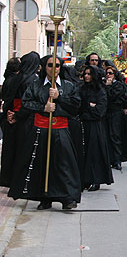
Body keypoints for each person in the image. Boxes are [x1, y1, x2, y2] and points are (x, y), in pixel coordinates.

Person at [8, 55, 82, 209]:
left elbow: (75, 107)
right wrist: (43, 108)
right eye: (50, 65)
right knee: (41, 163)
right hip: (40, 129)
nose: (54, 69)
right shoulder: (35, 85)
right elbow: (26, 103)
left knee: (64, 163)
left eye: (57, 65)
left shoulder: (68, 86)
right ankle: (44, 197)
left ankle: (67, 197)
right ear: (44, 67)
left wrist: (59, 97)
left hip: (61, 129)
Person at [1, 52, 40, 187]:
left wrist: (10, 114)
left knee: (10, 149)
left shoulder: (14, 78)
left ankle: (7, 178)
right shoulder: (32, 80)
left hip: (11, 116)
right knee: (23, 150)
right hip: (25, 118)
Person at [78, 65, 114, 191]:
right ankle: (84, 179)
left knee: (95, 152)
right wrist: (89, 106)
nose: (86, 76)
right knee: (83, 152)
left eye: (89, 74)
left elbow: (99, 111)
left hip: (95, 126)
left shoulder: (100, 91)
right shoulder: (81, 89)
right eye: (85, 74)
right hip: (83, 124)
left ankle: (95, 179)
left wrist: (88, 107)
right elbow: (78, 106)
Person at [104, 64, 127, 171]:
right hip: (106, 113)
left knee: (115, 135)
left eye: (110, 73)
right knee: (107, 136)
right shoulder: (105, 84)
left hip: (116, 113)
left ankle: (117, 159)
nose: (108, 75)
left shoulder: (119, 86)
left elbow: (112, 97)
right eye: (106, 73)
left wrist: (108, 86)